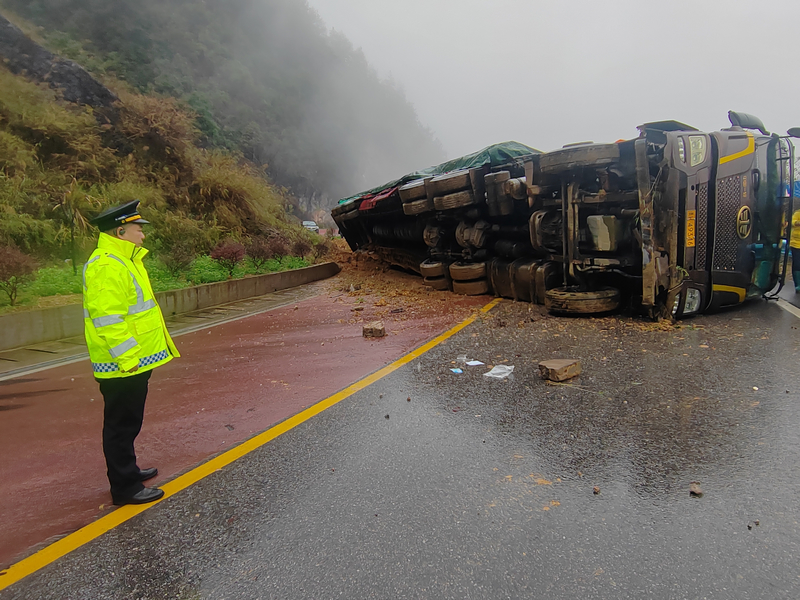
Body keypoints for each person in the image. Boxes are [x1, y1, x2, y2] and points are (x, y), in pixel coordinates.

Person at [83, 200, 180, 505]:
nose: (143, 235)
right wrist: (127, 359)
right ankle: (124, 487)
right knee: (120, 424)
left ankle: (129, 470)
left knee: (129, 421)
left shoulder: (125, 261)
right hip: (122, 364)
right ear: (121, 230)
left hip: (133, 361)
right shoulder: (107, 265)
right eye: (139, 229)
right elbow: (107, 320)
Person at [792, 207, 800, 293]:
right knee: (797, 264)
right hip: (796, 243)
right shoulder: (797, 213)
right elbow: (793, 222)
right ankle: (797, 284)